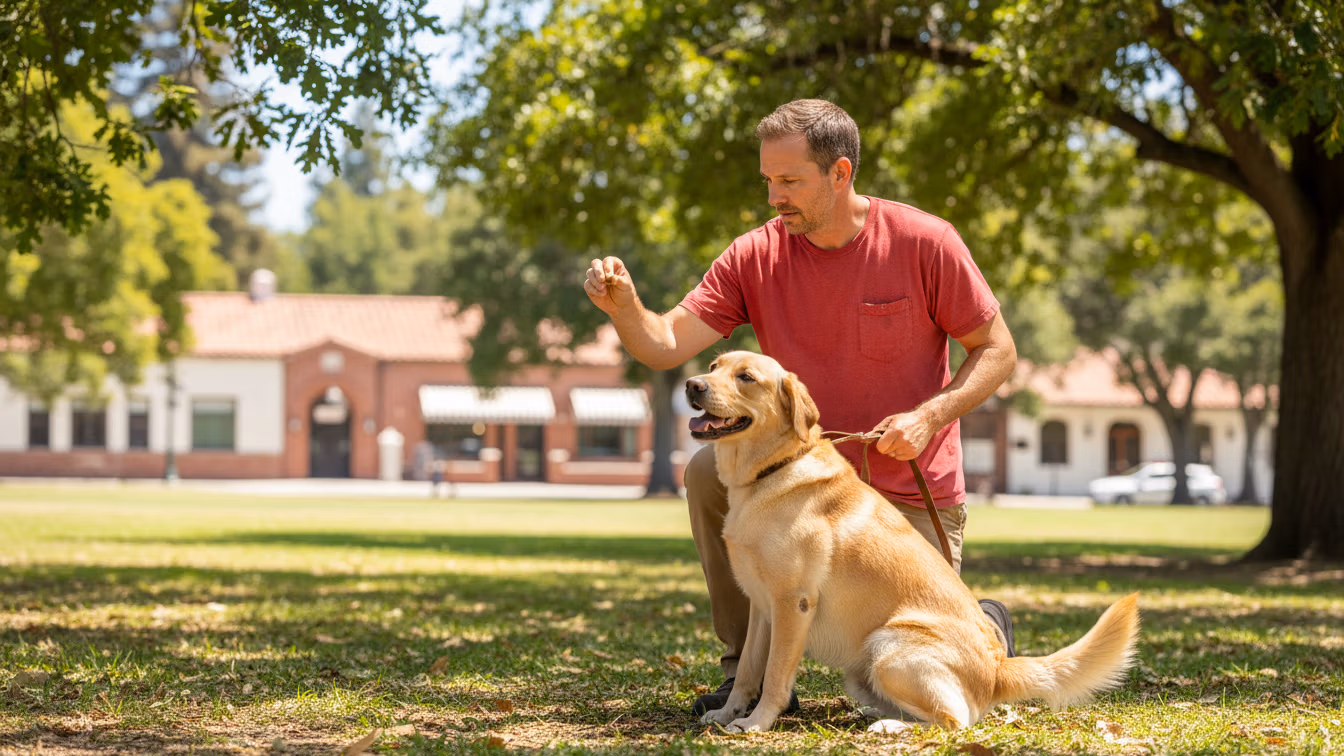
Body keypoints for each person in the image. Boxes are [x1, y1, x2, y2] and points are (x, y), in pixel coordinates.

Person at [582, 99, 1019, 717]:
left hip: (905, 491)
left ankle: (988, 628)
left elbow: (998, 350)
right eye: (768, 180)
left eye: (790, 181)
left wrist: (929, 417)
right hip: (796, 479)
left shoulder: (926, 241)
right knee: (708, 471)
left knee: (928, 629)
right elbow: (665, 343)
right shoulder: (753, 255)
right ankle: (750, 679)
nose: (773, 196)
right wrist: (623, 306)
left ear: (840, 174)